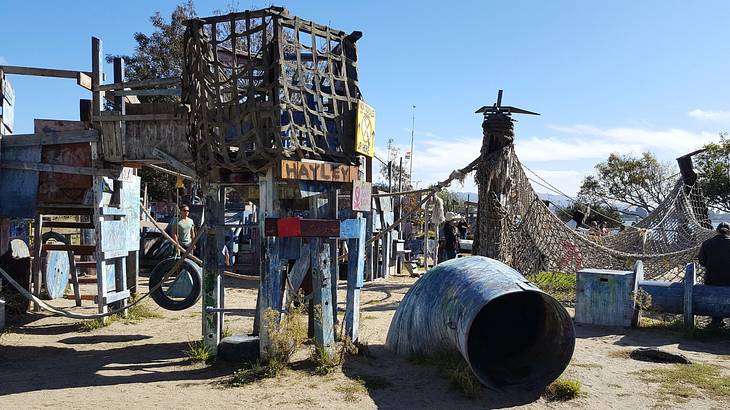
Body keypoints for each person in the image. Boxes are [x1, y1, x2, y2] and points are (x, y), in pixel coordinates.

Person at [698, 222, 730, 328]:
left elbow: (702, 262)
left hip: (712, 279)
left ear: (716, 231)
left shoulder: (707, 243)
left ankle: (716, 321)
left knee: (714, 299)